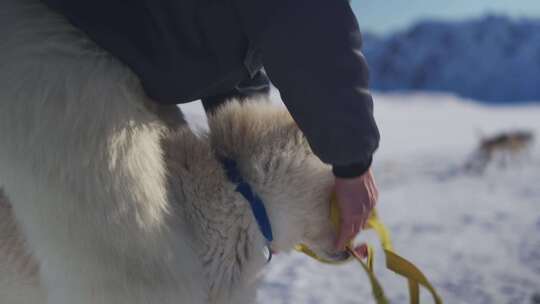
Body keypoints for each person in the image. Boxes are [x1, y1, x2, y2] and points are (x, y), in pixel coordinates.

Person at [41, 0, 380, 251]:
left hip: (107, 55)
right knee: (131, 259)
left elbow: (227, 38)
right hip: (51, 49)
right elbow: (303, 17)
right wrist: (352, 161)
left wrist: (253, 170)